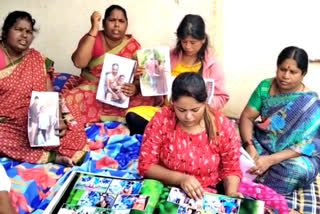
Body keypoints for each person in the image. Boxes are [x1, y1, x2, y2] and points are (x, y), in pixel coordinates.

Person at [0, 11, 87, 166]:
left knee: (70, 118)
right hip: (6, 120)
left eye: (28, 31)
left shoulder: (37, 58)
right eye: (19, 30)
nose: (24, 35)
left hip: (36, 113)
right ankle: (52, 157)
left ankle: (56, 146)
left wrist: (56, 117)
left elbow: (49, 94)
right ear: (5, 31)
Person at [138, 72, 242, 200]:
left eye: (195, 110)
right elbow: (146, 165)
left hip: (205, 193)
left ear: (205, 102)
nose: (188, 116)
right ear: (172, 102)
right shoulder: (162, 119)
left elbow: (231, 168)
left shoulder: (222, 126)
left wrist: (231, 193)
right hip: (165, 187)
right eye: (181, 110)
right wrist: (181, 179)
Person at [126, 14, 229, 135]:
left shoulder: (212, 64)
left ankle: (168, 133)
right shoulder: (168, 56)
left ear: (203, 40)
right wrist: (144, 78)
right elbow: (153, 88)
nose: (188, 46)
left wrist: (200, 105)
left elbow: (222, 97)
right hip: (166, 112)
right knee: (132, 116)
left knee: (213, 128)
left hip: (193, 117)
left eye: (193, 42)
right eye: (184, 41)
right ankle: (171, 133)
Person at [239, 46, 320, 195]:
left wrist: (270, 160)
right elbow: (247, 117)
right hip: (260, 143)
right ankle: (249, 171)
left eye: (293, 72)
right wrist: (249, 145)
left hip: (288, 156)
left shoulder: (310, 103)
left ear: (303, 74)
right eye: (282, 69)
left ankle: (251, 180)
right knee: (227, 139)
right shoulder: (265, 86)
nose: (286, 76)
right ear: (277, 68)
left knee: (297, 170)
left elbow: (306, 146)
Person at [64, 5, 157, 123]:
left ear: (126, 25)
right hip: (93, 90)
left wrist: (134, 88)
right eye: (112, 20)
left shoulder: (133, 45)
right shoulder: (93, 38)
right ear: (104, 23)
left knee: (148, 99)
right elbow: (79, 62)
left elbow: (140, 77)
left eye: (121, 21)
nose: (117, 24)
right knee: (69, 100)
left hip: (120, 93)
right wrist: (94, 28)